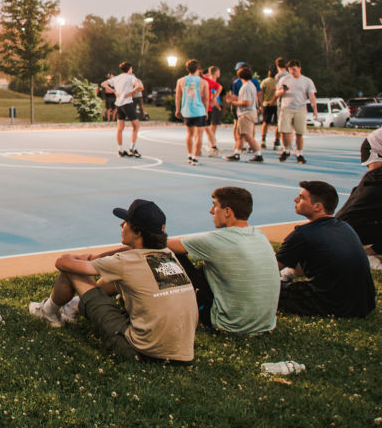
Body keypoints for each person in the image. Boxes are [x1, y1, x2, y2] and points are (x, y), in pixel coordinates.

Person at [29, 198, 196, 363]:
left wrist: (81, 257)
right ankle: (71, 307)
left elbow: (63, 263)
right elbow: (126, 253)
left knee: (72, 272)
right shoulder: (168, 254)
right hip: (183, 352)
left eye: (126, 222)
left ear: (137, 231)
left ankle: (49, 313)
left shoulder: (124, 262)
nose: (121, 225)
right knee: (124, 280)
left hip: (143, 352)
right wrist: (99, 256)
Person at [166, 187, 279, 334]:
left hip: (228, 325)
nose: (211, 211)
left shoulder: (217, 240)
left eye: (214, 206)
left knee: (176, 255)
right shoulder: (259, 235)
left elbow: (166, 244)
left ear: (227, 211)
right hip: (265, 323)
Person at [276, 180, 375, 318]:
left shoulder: (302, 234)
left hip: (334, 306)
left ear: (318, 207)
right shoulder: (344, 226)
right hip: (364, 304)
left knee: (267, 291)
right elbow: (303, 267)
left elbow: (269, 269)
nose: (295, 199)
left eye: (302, 197)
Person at [273, 60, 317, 163]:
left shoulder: (307, 81)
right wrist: (282, 91)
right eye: (290, 69)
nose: (292, 71)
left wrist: (315, 110)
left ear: (299, 68)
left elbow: (312, 96)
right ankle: (286, 150)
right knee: (284, 131)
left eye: (294, 69)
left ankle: (299, 154)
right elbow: (276, 94)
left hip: (300, 108)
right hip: (286, 108)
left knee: (299, 133)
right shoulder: (284, 79)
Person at [103, 62, 144, 157]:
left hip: (119, 105)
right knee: (136, 126)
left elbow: (103, 84)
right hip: (127, 104)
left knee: (120, 128)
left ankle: (120, 150)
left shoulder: (116, 78)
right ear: (129, 69)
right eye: (131, 69)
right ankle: (132, 149)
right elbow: (139, 85)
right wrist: (132, 92)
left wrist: (114, 91)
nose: (132, 70)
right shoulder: (131, 77)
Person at [224, 66, 263, 162]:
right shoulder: (250, 85)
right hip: (247, 112)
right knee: (240, 135)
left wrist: (233, 103)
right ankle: (236, 153)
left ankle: (258, 154)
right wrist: (234, 99)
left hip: (246, 113)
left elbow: (246, 102)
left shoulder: (246, 87)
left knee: (247, 136)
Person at [175, 60, 208, 165]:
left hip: (187, 110)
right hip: (199, 110)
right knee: (199, 135)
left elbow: (178, 97)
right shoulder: (203, 82)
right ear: (198, 69)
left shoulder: (181, 81)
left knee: (189, 134)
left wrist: (177, 109)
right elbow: (206, 99)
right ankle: (195, 157)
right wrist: (206, 111)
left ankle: (189, 155)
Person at [202, 65, 223, 157]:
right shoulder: (201, 81)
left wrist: (213, 99)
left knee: (206, 127)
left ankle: (213, 147)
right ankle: (199, 149)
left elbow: (218, 88)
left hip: (206, 108)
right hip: (199, 107)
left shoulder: (207, 81)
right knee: (201, 128)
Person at [259, 65, 279, 149]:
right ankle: (277, 141)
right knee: (278, 124)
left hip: (266, 104)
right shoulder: (279, 82)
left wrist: (261, 104)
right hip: (277, 105)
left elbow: (261, 94)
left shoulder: (265, 81)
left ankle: (263, 139)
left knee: (265, 122)